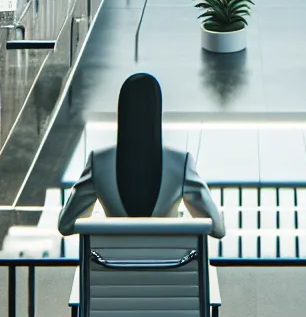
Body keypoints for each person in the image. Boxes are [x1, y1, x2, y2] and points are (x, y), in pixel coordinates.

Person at [57, 74, 225, 237]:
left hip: (113, 264)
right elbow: (217, 228)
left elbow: (65, 225)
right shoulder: (180, 163)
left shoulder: (99, 162)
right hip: (168, 263)